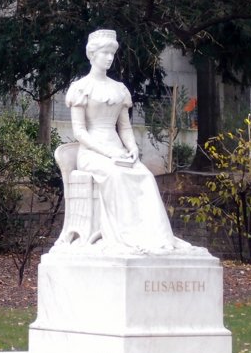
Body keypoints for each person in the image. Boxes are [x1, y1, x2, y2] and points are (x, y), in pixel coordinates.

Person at [64, 29, 195, 254]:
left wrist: (132, 148)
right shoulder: (81, 88)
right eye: (104, 53)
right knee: (116, 176)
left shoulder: (119, 88)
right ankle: (126, 237)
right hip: (92, 153)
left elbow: (124, 127)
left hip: (118, 151)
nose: (108, 58)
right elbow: (80, 132)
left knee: (144, 176)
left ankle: (153, 237)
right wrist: (108, 153)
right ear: (92, 55)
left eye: (112, 54)